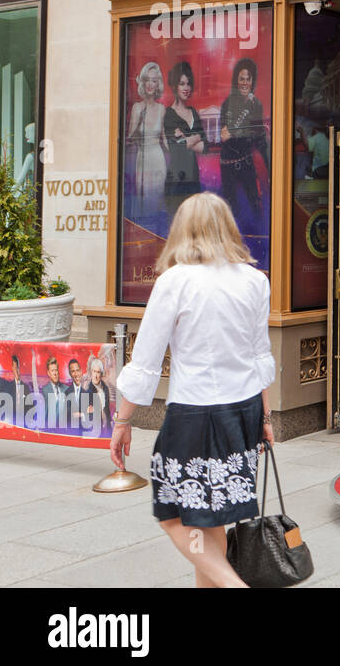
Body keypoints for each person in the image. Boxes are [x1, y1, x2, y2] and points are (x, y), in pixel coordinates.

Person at [110, 192, 275, 588]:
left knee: (173, 513)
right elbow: (260, 357)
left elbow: (146, 361)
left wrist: (122, 419)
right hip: (243, 408)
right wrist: (266, 418)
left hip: (197, 413)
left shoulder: (175, 281)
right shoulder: (255, 280)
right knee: (210, 515)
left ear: (182, 229)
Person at [219, 58, 268, 225]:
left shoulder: (257, 105)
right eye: (242, 79)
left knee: (256, 204)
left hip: (246, 161)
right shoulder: (228, 103)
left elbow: (258, 136)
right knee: (231, 211)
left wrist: (270, 167)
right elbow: (225, 136)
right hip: (228, 164)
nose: (245, 83)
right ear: (236, 81)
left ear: (252, 81)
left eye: (248, 79)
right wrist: (243, 132)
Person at [163, 61, 206, 218]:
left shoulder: (193, 112)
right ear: (175, 86)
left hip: (193, 179)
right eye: (182, 84)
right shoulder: (169, 114)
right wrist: (196, 137)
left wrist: (188, 139)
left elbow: (204, 146)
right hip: (177, 181)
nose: (186, 88)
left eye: (188, 84)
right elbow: (175, 148)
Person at [127, 62, 168, 220]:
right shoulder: (137, 107)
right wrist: (139, 122)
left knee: (157, 202)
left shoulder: (161, 109)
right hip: (142, 159)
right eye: (148, 80)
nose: (151, 84)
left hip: (158, 159)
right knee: (143, 201)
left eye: (154, 80)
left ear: (158, 84)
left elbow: (164, 140)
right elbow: (130, 139)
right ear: (143, 82)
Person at [84, 355, 112, 438]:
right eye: (94, 371)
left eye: (98, 372)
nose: (96, 375)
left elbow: (107, 409)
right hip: (94, 430)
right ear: (91, 372)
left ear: (101, 373)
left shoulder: (105, 388)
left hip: (106, 429)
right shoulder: (87, 390)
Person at [40, 357, 69, 431]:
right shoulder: (44, 390)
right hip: (50, 431)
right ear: (49, 373)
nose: (55, 373)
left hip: (65, 430)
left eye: (56, 370)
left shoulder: (66, 389)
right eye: (52, 371)